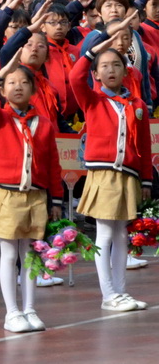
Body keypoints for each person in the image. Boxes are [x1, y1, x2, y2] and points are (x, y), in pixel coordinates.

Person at [0, 55, 63, 333]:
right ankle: (11, 312)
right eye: (11, 83)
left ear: (34, 90)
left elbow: (52, 164)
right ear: (3, 90)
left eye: (24, 82)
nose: (17, 87)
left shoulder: (45, 124)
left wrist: (56, 199)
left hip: (35, 196)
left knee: (30, 254)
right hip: (7, 195)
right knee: (10, 252)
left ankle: (30, 309)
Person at [71, 22, 151, 312]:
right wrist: (96, 46)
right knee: (104, 233)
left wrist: (145, 180)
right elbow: (74, 76)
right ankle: (108, 294)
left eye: (116, 64)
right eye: (103, 66)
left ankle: (120, 291)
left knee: (121, 234)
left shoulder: (136, 104)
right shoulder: (92, 100)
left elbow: (143, 146)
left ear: (125, 69)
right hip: (103, 173)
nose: (111, 70)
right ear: (96, 74)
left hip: (127, 175)